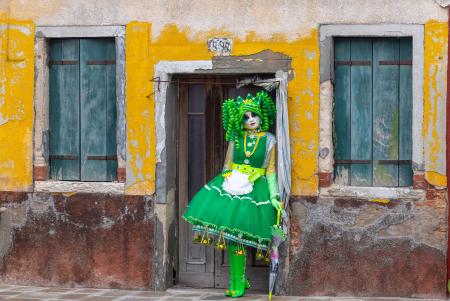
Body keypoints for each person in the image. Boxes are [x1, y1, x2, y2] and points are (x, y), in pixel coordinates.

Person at [183, 91, 282, 298]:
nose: (251, 120)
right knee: (232, 237)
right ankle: (237, 281)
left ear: (261, 116)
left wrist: (274, 196)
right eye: (245, 117)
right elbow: (227, 165)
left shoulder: (270, 140)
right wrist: (230, 178)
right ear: (240, 120)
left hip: (256, 190)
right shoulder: (236, 138)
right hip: (232, 188)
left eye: (253, 115)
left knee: (240, 237)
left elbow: (271, 170)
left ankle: (239, 280)